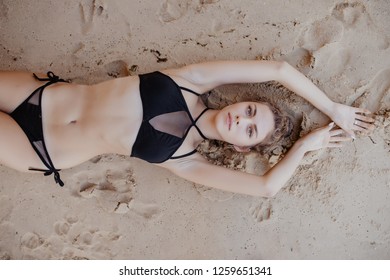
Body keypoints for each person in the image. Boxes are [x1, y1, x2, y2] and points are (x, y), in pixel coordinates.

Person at [0, 60, 375, 196]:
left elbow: (267, 187)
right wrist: (332, 107)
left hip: (41, 148)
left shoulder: (185, 160)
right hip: (41, 95)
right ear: (241, 101)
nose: (240, 119)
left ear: (243, 149)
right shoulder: (191, 80)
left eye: (248, 131)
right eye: (248, 111)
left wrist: (306, 146)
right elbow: (278, 70)